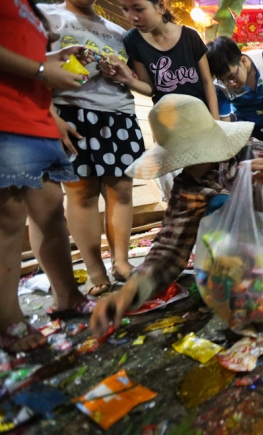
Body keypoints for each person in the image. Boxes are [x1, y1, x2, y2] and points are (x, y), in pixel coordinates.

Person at [90, 94, 263, 335]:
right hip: (237, 264)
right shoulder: (187, 187)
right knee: (219, 205)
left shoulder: (250, 151)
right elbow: (169, 251)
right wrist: (131, 290)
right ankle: (245, 291)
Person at [0, 0, 98, 351]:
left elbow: (25, 57)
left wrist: (56, 61)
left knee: (51, 210)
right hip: (6, 116)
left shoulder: (28, 8)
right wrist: (43, 71)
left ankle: (67, 295)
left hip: (36, 119)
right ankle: (9, 322)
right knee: (8, 221)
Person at [39, 0, 146, 296]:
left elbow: (135, 79)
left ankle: (122, 263)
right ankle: (95, 270)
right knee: (81, 192)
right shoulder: (49, 17)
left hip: (119, 113)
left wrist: (122, 72)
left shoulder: (119, 31)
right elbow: (36, 69)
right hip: (71, 112)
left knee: (121, 191)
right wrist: (50, 115)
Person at [107, 0, 218, 119]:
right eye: (125, 9)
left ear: (160, 6)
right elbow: (150, 88)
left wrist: (216, 122)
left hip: (200, 118)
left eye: (138, 9)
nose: (132, 17)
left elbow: (207, 82)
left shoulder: (190, 36)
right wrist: (127, 79)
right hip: (167, 123)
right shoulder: (133, 40)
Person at [206, 36, 263, 143]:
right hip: (249, 132)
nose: (230, 84)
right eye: (224, 80)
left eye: (232, 77)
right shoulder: (220, 87)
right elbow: (225, 124)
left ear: (243, 61)